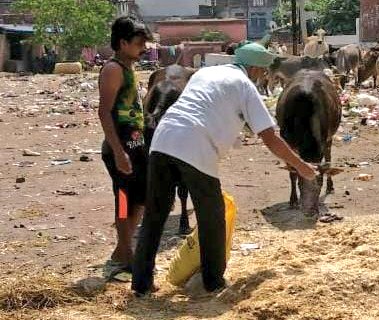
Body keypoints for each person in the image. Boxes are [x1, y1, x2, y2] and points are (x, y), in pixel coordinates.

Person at [131, 42, 317, 296]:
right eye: (262, 72)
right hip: (195, 146)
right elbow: (270, 138)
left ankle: (141, 284)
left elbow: (216, 110)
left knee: (155, 215)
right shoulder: (245, 87)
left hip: (163, 139)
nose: (263, 77)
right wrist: (301, 166)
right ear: (253, 68)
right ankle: (212, 282)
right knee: (212, 216)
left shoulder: (207, 72)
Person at [98, 16, 152, 279]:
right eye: (139, 43)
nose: (144, 48)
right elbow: (104, 112)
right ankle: (127, 253)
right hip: (120, 147)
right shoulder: (113, 69)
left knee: (140, 198)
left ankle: (122, 249)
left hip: (136, 145)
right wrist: (118, 152)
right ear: (122, 43)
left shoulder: (128, 68)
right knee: (123, 200)